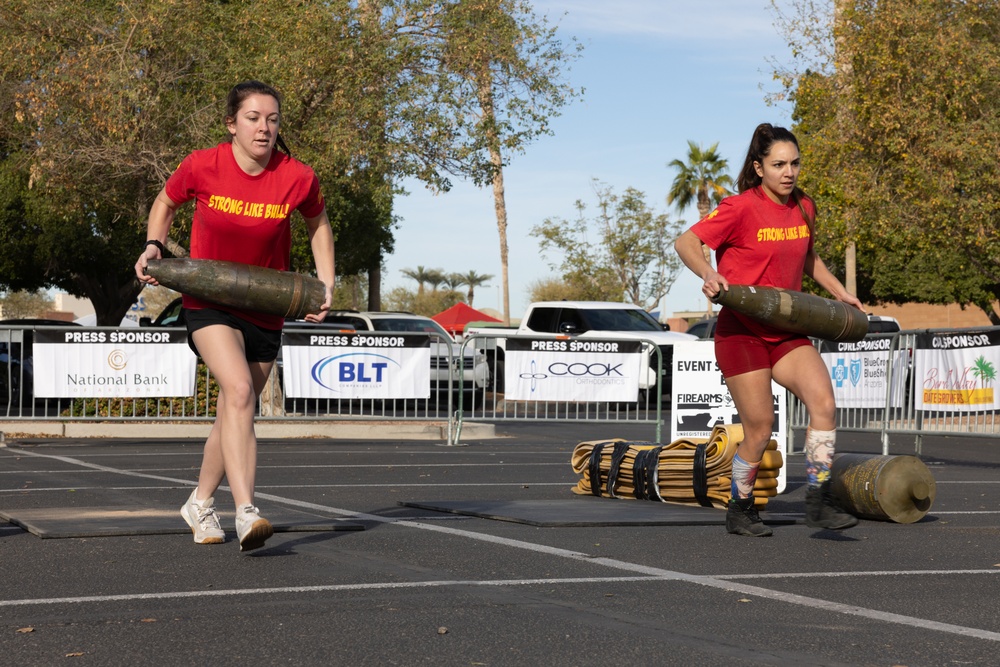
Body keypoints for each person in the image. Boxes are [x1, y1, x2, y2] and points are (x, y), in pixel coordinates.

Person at [135, 81, 335, 551]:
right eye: (253, 118)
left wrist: (325, 283)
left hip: (268, 305)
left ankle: (199, 503)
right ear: (232, 123)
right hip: (210, 302)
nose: (264, 128)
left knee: (233, 411)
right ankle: (247, 511)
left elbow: (317, 223)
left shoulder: (297, 176)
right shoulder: (202, 165)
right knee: (241, 391)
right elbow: (165, 202)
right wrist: (153, 246)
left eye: (272, 119)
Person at [674, 123, 861, 537]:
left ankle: (819, 497)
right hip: (741, 332)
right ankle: (740, 508)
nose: (788, 172)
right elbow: (686, 241)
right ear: (759, 168)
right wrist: (708, 272)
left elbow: (808, 257)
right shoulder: (738, 207)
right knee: (759, 428)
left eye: (794, 163)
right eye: (778, 164)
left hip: (786, 329)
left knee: (824, 405)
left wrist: (840, 293)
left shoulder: (804, 206)